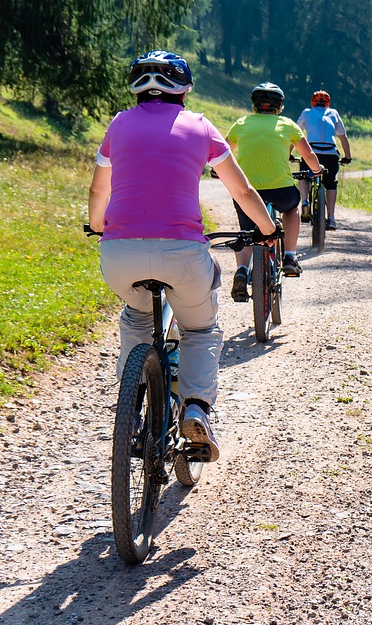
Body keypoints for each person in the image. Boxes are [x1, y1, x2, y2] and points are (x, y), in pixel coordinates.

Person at [88, 50, 278, 463]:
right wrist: (268, 229)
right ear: (185, 88)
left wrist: (99, 225)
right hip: (183, 254)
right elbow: (242, 192)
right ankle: (195, 408)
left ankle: (133, 403)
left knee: (136, 316)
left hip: (120, 255)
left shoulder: (118, 124)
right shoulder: (200, 126)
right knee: (201, 329)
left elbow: (98, 192)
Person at [226, 82, 323, 300]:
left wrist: (219, 173)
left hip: (248, 191)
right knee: (291, 209)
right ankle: (289, 256)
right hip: (281, 190)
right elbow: (308, 155)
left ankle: (242, 271)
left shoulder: (241, 123)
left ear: (254, 105)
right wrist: (316, 170)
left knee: (247, 230)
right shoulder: (287, 124)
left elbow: (225, 153)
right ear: (279, 106)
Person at [295, 90, 352, 229]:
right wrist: (348, 157)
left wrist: (289, 154)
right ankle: (331, 218)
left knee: (304, 176)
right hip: (330, 153)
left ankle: (304, 202)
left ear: (312, 103)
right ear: (328, 103)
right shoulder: (334, 113)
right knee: (331, 184)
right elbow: (343, 137)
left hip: (312, 152)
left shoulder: (307, 113)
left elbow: (295, 134)